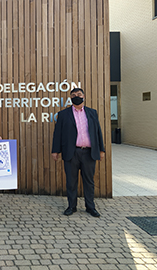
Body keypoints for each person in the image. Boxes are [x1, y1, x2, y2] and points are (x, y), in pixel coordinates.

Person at [51, 88, 105, 217]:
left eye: (79, 95)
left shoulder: (92, 113)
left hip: (89, 153)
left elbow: (98, 132)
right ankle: (72, 206)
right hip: (71, 152)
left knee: (89, 182)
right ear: (70, 98)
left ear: (84, 97)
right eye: (74, 95)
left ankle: (90, 207)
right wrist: (55, 151)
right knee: (71, 181)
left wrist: (101, 150)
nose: (77, 97)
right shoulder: (63, 114)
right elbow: (57, 134)